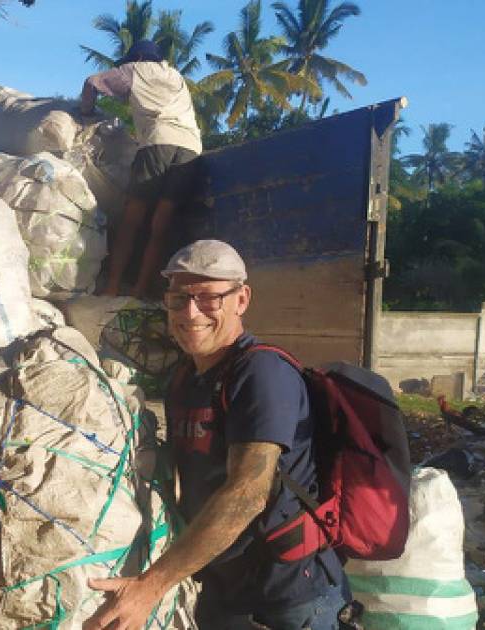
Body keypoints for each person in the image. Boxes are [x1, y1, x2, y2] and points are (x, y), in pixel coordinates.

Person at [84, 240, 348, 630]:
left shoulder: (261, 374)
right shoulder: (184, 378)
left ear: (241, 300)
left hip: (286, 597)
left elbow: (247, 494)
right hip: (219, 590)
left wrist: (149, 586)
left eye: (208, 298)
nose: (190, 313)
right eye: (178, 299)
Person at [79, 39, 203, 298]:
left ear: (135, 58)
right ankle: (140, 289)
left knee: (132, 219)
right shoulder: (175, 75)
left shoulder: (135, 70)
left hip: (159, 143)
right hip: (191, 148)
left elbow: (92, 82)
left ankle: (112, 286)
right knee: (161, 224)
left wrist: (86, 112)